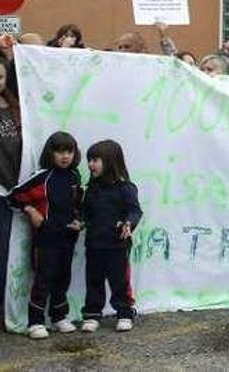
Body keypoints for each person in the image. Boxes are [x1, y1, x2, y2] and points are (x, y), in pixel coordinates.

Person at [9, 132, 83, 339]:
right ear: (51, 153)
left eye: (69, 151)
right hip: (46, 239)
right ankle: (35, 322)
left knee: (63, 278)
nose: (65, 156)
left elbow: (78, 206)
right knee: (44, 278)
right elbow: (13, 196)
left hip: (68, 238)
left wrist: (80, 222)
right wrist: (31, 210)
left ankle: (59, 317)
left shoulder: (75, 176)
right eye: (60, 151)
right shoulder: (42, 176)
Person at [78, 140, 142, 333]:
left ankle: (124, 313)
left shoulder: (126, 187)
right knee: (93, 280)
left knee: (119, 281)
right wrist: (80, 222)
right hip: (94, 244)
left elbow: (135, 211)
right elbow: (85, 213)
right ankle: (91, 315)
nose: (90, 164)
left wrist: (129, 223)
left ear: (110, 161)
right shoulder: (92, 189)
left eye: (95, 160)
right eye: (89, 160)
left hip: (117, 246)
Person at [0, 54, 19, 313]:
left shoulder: (14, 106)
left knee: (5, 248)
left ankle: (5, 298)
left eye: (0, 76)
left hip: (11, 188)